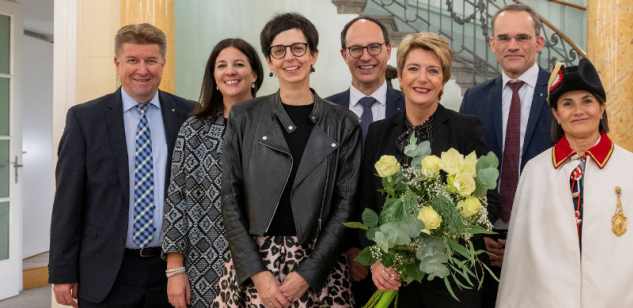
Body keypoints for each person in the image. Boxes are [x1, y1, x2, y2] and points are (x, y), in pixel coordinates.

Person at [497, 60, 633, 307]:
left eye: (587, 101)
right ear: (556, 114)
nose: (578, 110)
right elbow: (522, 257)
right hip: (548, 297)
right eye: (567, 104)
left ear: (602, 108)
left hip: (621, 296)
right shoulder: (535, 171)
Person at [214, 12, 361, 308]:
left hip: (319, 266)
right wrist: (257, 273)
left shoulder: (344, 122)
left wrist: (307, 273)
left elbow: (346, 204)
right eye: (278, 50)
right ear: (269, 61)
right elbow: (230, 199)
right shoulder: (244, 116)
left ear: (314, 55)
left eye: (298, 48)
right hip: (254, 265)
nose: (289, 58)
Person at [50, 23, 196, 308]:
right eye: (133, 60)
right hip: (104, 272)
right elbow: (68, 201)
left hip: (171, 272)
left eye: (151, 60)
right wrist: (62, 271)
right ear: (117, 63)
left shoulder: (189, 115)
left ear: (163, 64)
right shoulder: (85, 119)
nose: (142, 69)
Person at [359, 32, 500, 308]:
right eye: (413, 69)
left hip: (454, 280)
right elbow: (365, 206)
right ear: (400, 76)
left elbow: (490, 203)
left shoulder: (466, 129)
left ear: (443, 81)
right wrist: (377, 259)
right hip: (394, 278)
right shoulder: (378, 133)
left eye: (433, 70)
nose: (422, 78)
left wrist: (445, 229)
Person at [456, 4, 555, 306]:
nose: (512, 45)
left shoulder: (560, 93)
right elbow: (462, 172)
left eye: (522, 37)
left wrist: (527, 239)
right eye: (504, 38)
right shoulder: (474, 97)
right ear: (492, 44)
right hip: (486, 246)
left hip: (545, 243)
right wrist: (476, 235)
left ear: (539, 43)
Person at [161, 38, 264, 308]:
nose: (230, 71)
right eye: (222, 66)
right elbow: (176, 200)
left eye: (239, 64)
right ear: (214, 77)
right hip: (204, 267)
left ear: (254, 74)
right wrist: (175, 269)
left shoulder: (275, 126)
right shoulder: (193, 130)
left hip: (266, 264)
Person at [324, 15, 406, 304]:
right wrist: (349, 249)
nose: (365, 56)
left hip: (401, 264)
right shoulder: (323, 113)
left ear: (388, 50)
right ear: (344, 55)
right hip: (338, 263)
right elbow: (321, 192)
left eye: (374, 47)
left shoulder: (414, 107)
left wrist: (389, 254)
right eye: (356, 49)